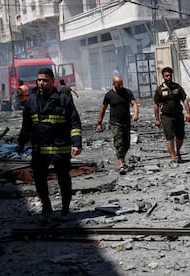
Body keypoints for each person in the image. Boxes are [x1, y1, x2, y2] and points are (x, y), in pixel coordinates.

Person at [17, 68, 82, 217]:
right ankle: (46, 206)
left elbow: (74, 123)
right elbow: (26, 126)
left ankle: (65, 207)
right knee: (39, 179)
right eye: (39, 80)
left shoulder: (63, 99)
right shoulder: (31, 101)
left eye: (45, 80)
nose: (41, 83)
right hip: (40, 148)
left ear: (53, 81)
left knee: (64, 179)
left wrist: (77, 143)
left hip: (60, 147)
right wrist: (21, 143)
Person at [96, 76, 139, 175]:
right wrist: (99, 123)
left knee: (126, 143)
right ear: (113, 83)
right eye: (118, 83)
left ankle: (122, 160)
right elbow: (102, 109)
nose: (120, 85)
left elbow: (134, 103)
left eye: (121, 83)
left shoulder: (127, 92)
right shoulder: (109, 95)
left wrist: (136, 113)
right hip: (115, 123)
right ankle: (121, 165)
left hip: (126, 122)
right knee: (119, 143)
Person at [153, 67, 190, 168]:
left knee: (180, 136)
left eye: (170, 75)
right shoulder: (159, 89)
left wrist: (188, 113)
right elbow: (156, 104)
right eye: (166, 76)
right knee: (169, 137)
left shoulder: (177, 87)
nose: (168, 78)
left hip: (178, 115)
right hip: (166, 116)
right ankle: (173, 159)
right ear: (163, 76)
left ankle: (177, 151)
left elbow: (185, 100)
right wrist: (157, 119)